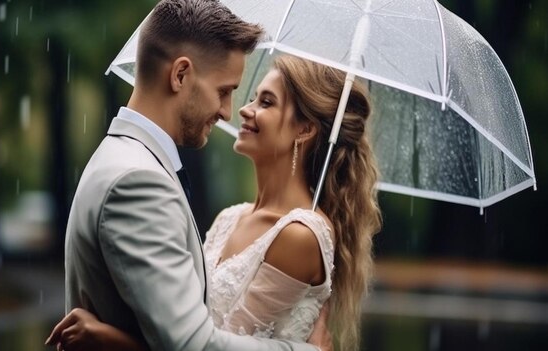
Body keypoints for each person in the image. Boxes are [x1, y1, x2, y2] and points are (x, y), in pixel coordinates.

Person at [47, 54, 382, 351]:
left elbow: (205, 344)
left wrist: (112, 341)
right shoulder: (230, 218)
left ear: (305, 130)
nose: (245, 110)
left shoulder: (299, 236)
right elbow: (185, 327)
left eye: (266, 103)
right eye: (252, 98)